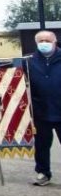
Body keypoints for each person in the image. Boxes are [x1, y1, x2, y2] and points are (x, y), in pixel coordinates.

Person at [26, 30, 61, 186]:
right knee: (41, 145)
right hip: (41, 112)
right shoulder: (29, 61)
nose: (44, 43)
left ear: (55, 42)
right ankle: (43, 173)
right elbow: (7, 69)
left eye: (47, 40)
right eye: (41, 41)